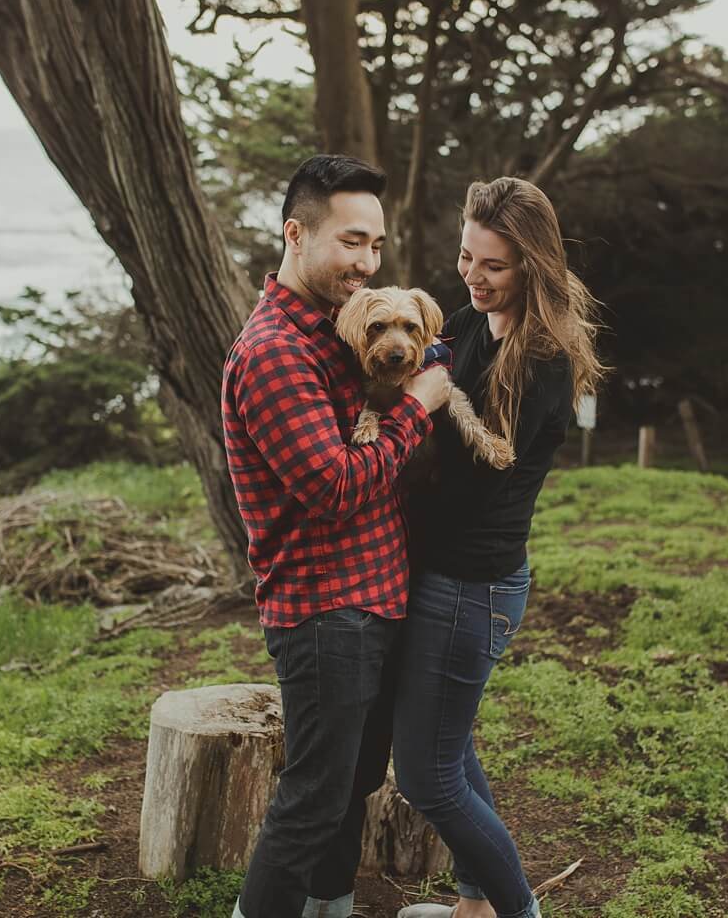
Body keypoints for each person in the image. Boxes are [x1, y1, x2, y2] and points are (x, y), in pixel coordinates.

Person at [221, 154, 452, 918]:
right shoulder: (275, 351)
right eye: (351, 241)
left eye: (376, 245)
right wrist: (419, 404)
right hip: (326, 613)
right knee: (315, 797)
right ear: (296, 234)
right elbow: (333, 487)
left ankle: (331, 910)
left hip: (374, 600)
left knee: (352, 784)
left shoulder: (339, 333)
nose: (367, 261)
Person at [394, 178, 605, 918]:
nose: (473, 278)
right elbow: (426, 368)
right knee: (447, 749)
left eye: (494, 266)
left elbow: (468, 485)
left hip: (471, 586)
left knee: (425, 775)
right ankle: (476, 905)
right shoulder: (471, 320)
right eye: (465, 256)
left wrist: (395, 447)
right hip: (447, 576)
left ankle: (517, 913)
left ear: (534, 266)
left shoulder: (542, 359)